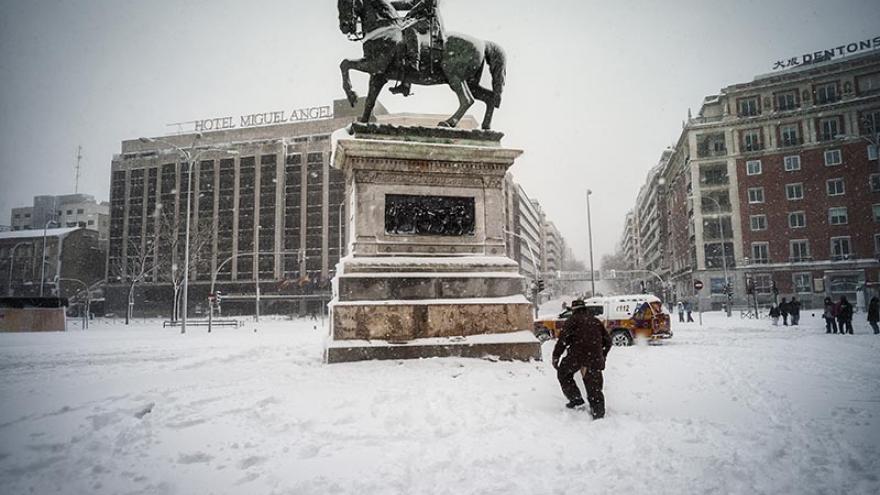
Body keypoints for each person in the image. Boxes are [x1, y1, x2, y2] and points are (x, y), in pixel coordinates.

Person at [552, 299, 612, 418]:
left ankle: (576, 399)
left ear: (573, 310)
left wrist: (556, 356)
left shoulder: (572, 321)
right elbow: (608, 342)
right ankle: (598, 412)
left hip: (577, 356)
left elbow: (562, 341)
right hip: (595, 357)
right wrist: (602, 355)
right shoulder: (595, 321)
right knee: (594, 385)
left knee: (563, 373)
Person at [388, 0, 444, 96]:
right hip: (419, 21)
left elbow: (427, 3)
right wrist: (388, 5)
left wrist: (411, 14)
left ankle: (414, 63)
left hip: (429, 21)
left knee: (410, 29)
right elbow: (409, 4)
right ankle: (405, 84)